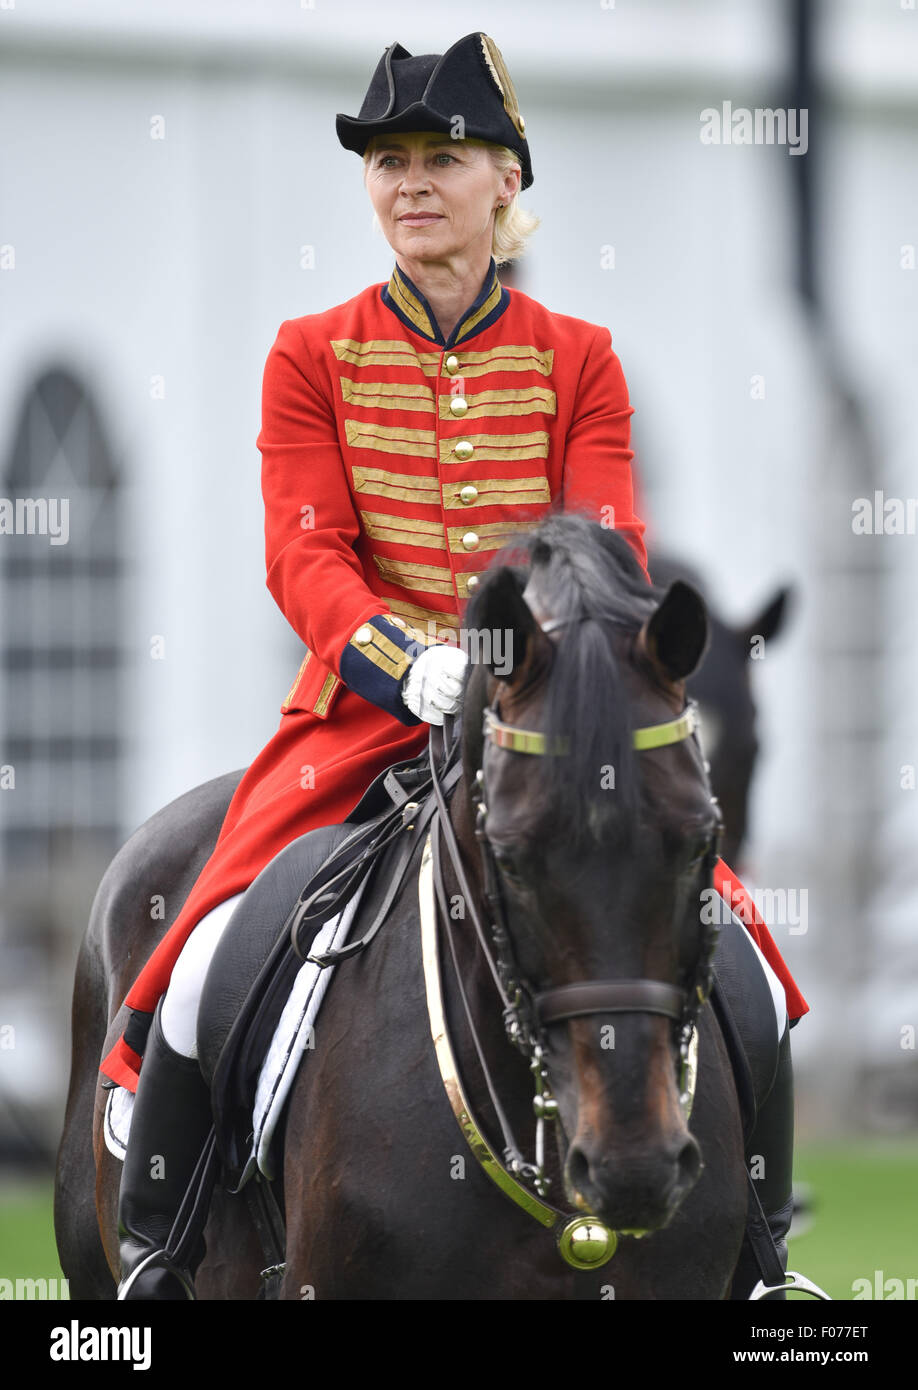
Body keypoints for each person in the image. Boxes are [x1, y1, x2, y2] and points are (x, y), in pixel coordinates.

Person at [104, 32, 808, 1299]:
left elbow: (600, 550)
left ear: (506, 183)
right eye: (389, 161)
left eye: (443, 156)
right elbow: (304, 557)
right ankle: (161, 1238)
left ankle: (758, 1261)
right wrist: (405, 661)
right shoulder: (307, 355)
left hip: (540, 718)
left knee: (742, 956)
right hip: (362, 721)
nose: (412, 181)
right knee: (209, 941)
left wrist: (500, 671)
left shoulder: (580, 356)